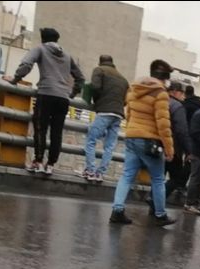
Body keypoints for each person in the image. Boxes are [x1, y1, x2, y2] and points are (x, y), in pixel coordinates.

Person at [4, 27, 85, 175]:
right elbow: (80, 78)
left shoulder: (40, 49)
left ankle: (39, 161)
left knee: (40, 128)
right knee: (57, 132)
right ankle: (51, 165)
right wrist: (72, 94)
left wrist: (15, 79)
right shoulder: (67, 56)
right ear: (57, 39)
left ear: (43, 39)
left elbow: (26, 65)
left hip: (46, 94)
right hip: (63, 98)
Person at [109, 59, 175, 226]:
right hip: (149, 140)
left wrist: (131, 131)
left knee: (127, 175)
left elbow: (129, 113)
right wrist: (169, 148)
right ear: (165, 78)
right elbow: (163, 123)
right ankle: (160, 215)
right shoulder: (160, 93)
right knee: (158, 178)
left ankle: (117, 211)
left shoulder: (134, 88)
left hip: (132, 136)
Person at [82, 54, 128, 182]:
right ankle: (100, 173)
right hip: (118, 114)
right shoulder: (123, 79)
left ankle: (90, 170)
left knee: (91, 140)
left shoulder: (99, 70)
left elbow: (95, 87)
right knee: (109, 147)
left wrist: (96, 101)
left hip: (104, 112)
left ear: (100, 62)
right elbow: (126, 99)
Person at [162, 81, 193, 200]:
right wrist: (189, 150)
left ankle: (154, 203)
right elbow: (182, 130)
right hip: (173, 148)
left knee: (158, 178)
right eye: (182, 93)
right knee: (177, 178)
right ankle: (155, 198)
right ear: (175, 92)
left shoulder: (161, 102)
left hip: (159, 145)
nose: (183, 96)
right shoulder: (178, 106)